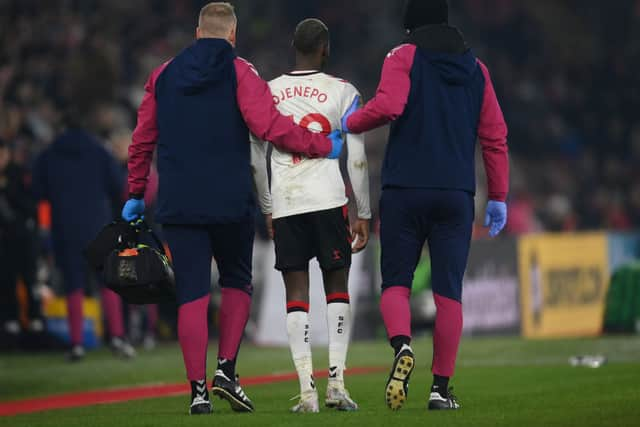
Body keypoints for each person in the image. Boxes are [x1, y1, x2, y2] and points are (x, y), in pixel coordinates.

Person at [121, 3, 344, 416]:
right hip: (229, 201)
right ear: (233, 35)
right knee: (238, 282)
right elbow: (271, 128)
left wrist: (135, 192)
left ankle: (197, 393)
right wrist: (322, 145)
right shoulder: (242, 71)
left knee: (191, 293)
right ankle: (226, 369)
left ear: (197, 32)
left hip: (179, 202)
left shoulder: (163, 74)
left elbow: (141, 141)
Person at [341, 0, 509, 411]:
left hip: (404, 189)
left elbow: (390, 106)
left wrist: (350, 121)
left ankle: (402, 346)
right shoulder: (477, 70)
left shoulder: (403, 55)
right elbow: (495, 137)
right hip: (456, 194)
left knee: (395, 282)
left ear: (411, 26)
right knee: (449, 293)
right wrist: (499, 196)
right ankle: (440, 390)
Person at [252, 18, 371, 413]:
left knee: (296, 294)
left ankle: (307, 393)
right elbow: (355, 156)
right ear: (326, 48)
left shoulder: (268, 92)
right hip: (328, 200)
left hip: (288, 203)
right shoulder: (344, 92)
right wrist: (363, 211)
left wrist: (267, 204)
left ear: (293, 46)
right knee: (337, 288)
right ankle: (336, 384)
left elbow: (257, 156)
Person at [32, 130, 135, 362]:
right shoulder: (99, 150)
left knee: (73, 285)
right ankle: (117, 337)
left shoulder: (49, 153)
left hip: (64, 226)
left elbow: (37, 190)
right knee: (107, 283)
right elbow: (118, 186)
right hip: (97, 224)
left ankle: (76, 343)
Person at [0, 138, 42, 345]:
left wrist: (8, 191)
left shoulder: (19, 174)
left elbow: (32, 205)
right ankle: (11, 323)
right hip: (5, 240)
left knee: (30, 280)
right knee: (7, 280)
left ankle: (35, 320)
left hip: (25, 238)